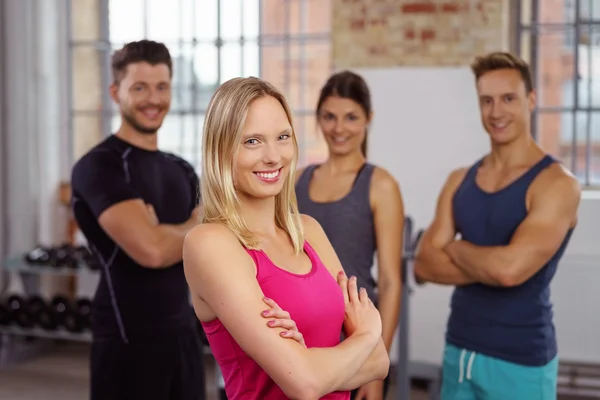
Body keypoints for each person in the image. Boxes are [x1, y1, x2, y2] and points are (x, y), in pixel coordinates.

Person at [182, 76, 390, 400]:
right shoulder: (210, 243)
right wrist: (364, 337)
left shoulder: (309, 232)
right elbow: (305, 384)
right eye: (252, 141)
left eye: (282, 137)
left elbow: (379, 362)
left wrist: (308, 360)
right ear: (221, 150)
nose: (273, 156)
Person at [414, 51, 581, 400]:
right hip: (459, 348)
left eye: (508, 98)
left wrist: (456, 248)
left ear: (531, 99)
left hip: (520, 360)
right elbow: (425, 263)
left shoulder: (557, 184)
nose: (496, 112)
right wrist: (495, 262)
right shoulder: (460, 180)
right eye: (486, 100)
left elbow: (510, 271)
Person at [70, 40, 206, 400]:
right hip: (126, 343)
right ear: (116, 92)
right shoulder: (99, 166)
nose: (153, 99)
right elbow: (152, 252)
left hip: (184, 338)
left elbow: (209, 244)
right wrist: (195, 224)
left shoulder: (181, 169)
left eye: (162, 87)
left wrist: (169, 231)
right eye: (140, 87)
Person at [295, 70, 404, 400]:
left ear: (368, 119)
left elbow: (390, 281)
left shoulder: (380, 185)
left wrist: (376, 363)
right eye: (329, 117)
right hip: (300, 340)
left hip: (355, 343)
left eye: (350, 117)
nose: (338, 129)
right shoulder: (297, 180)